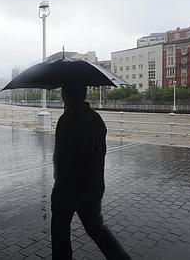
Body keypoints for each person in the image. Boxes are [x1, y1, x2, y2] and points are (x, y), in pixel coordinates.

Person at [51, 83, 131, 260]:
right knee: (97, 229)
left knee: (60, 229)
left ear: (66, 96)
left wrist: (58, 183)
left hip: (69, 187)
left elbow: (61, 157)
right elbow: (101, 151)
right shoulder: (97, 118)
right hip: (94, 184)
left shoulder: (66, 120)